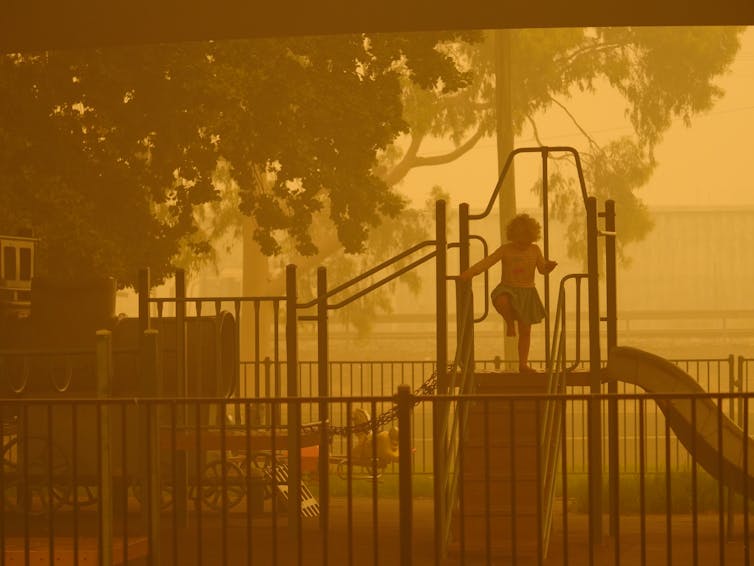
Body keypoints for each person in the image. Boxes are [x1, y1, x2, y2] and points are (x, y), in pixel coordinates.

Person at [459, 213, 557, 373]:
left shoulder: (535, 249)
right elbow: (488, 262)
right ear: (513, 236)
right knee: (501, 300)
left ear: (532, 238)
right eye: (519, 241)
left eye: (526, 241)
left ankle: (523, 364)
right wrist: (468, 273)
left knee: (526, 331)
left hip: (527, 292)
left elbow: (542, 269)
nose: (522, 245)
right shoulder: (506, 249)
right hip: (508, 288)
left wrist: (549, 267)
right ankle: (510, 323)